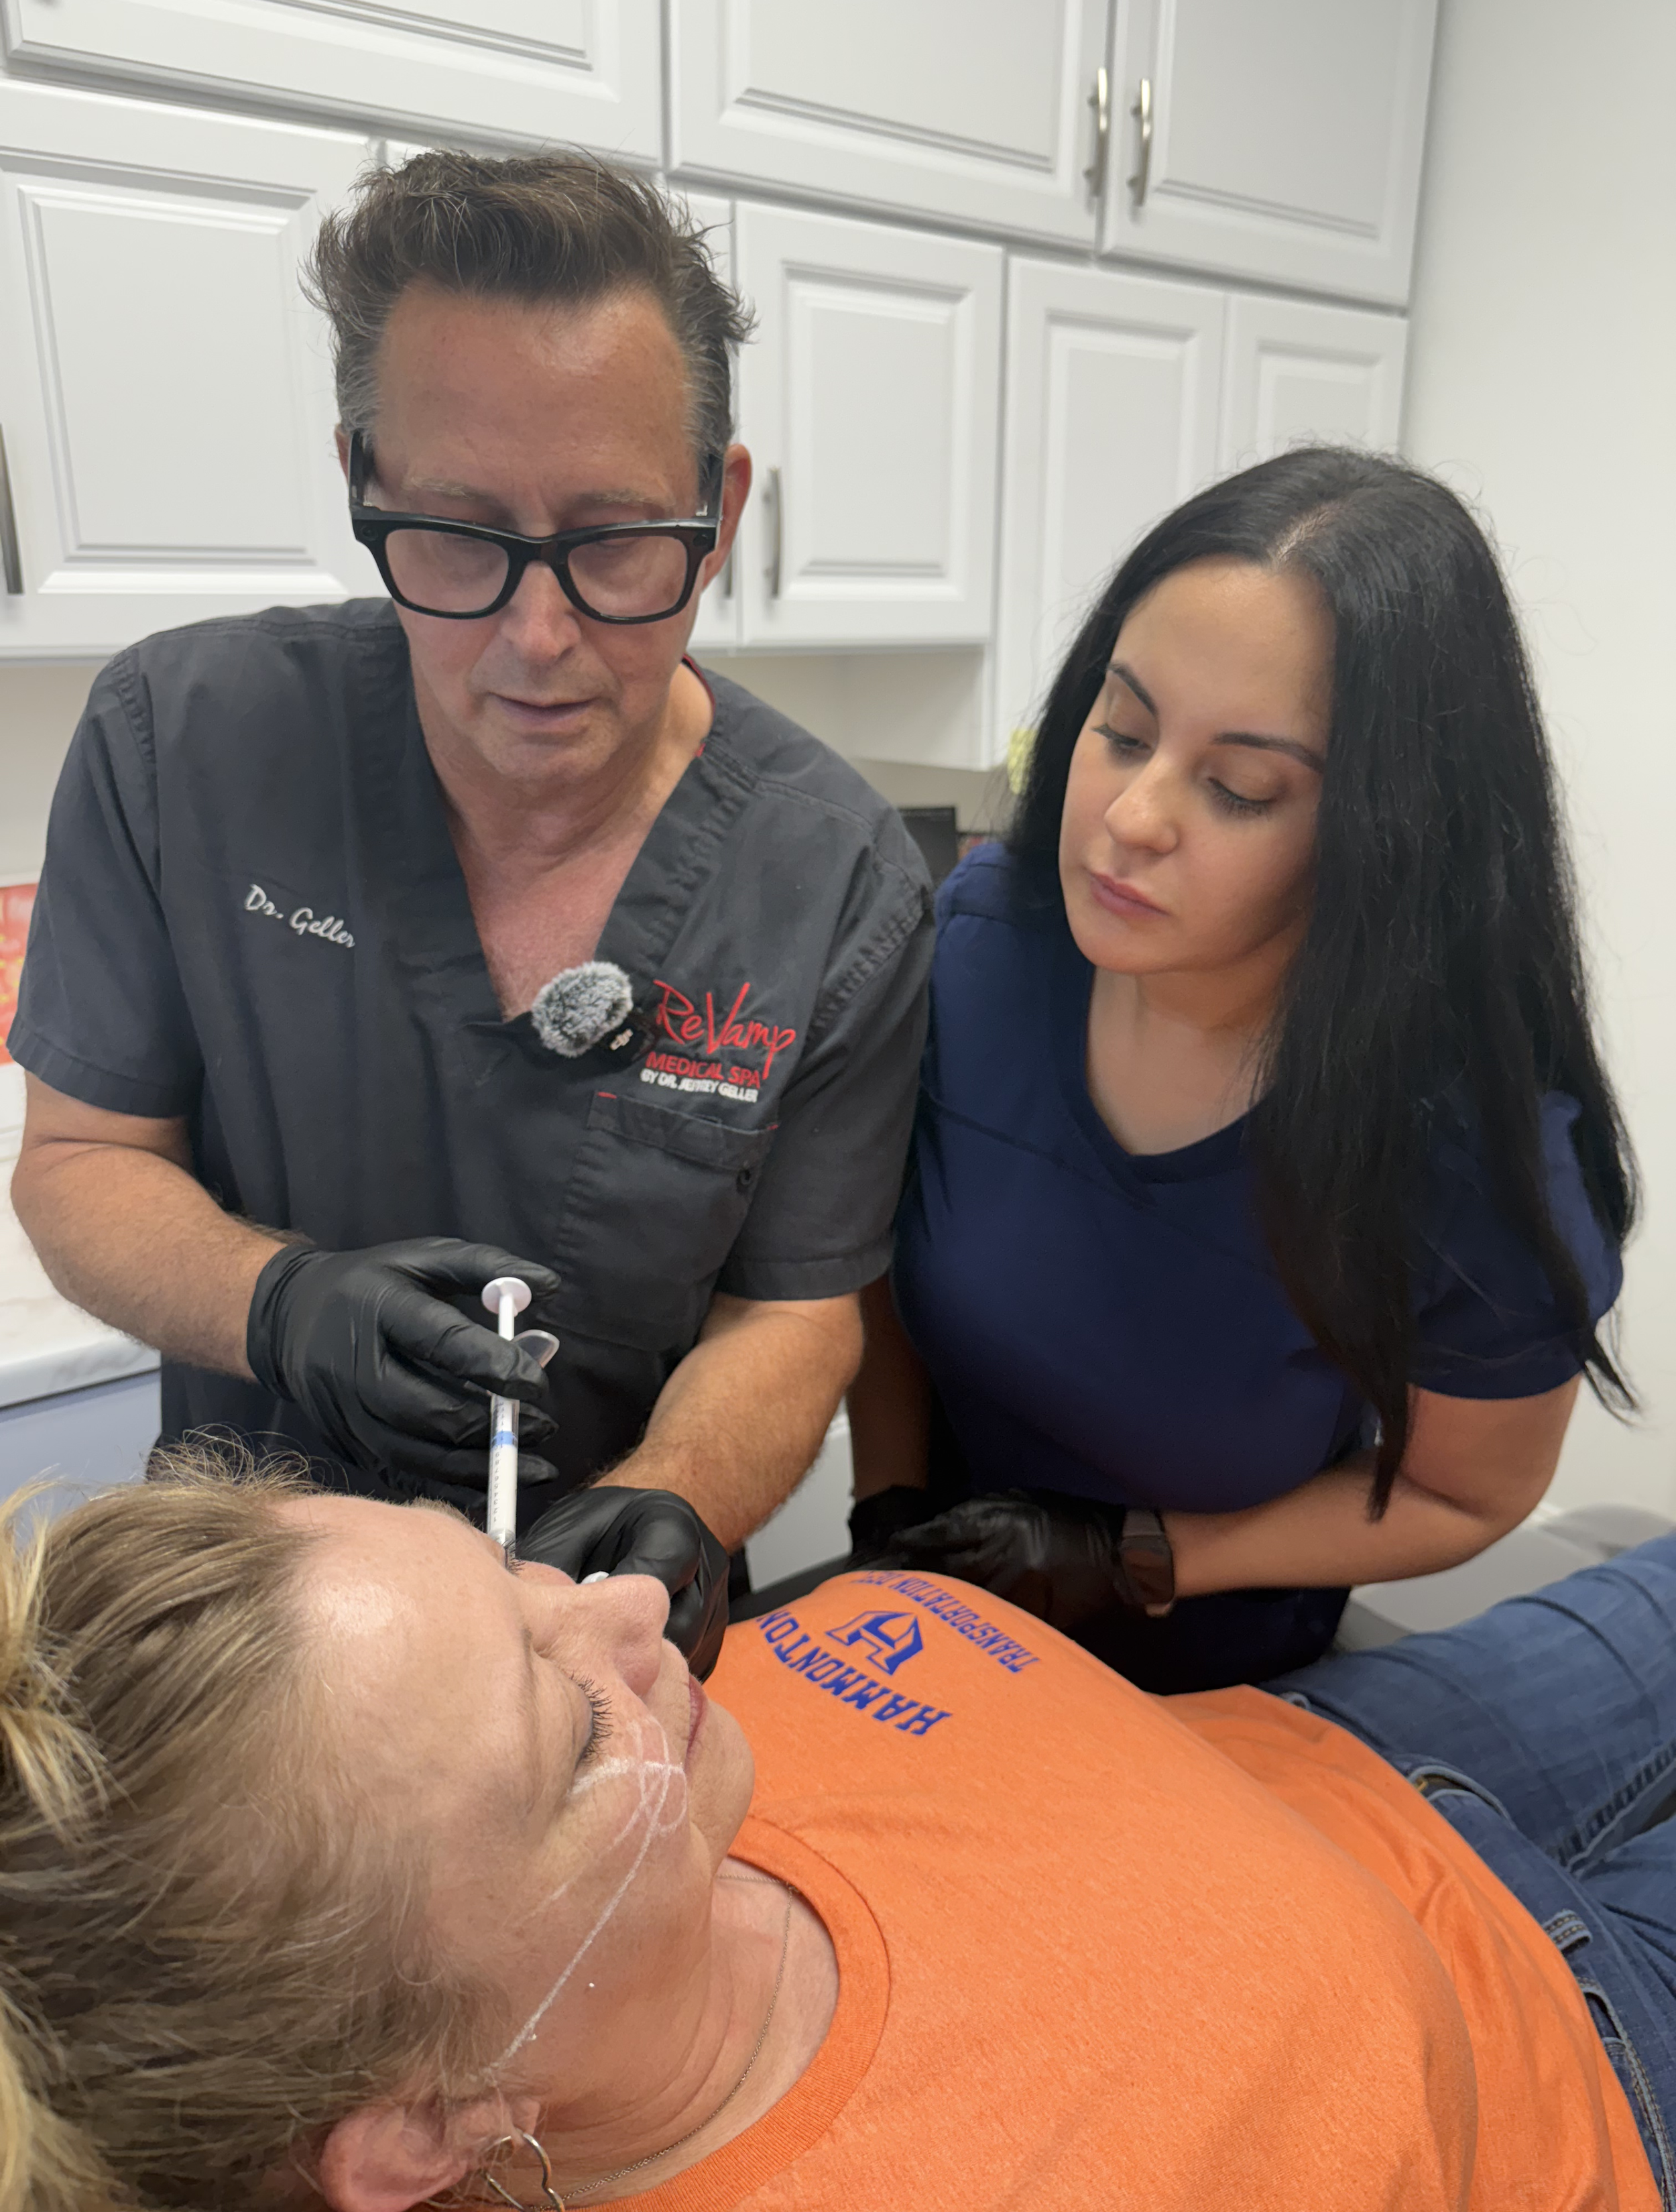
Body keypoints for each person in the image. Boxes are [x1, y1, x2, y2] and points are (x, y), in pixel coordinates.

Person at [5, 150, 933, 1625]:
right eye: (456, 533)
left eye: (617, 540)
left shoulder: (830, 878)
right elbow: (74, 1167)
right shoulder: (179, 745)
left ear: (722, 502)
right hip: (244, 1633)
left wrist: (677, 1501)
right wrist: (278, 1302)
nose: (538, 639)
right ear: (359, 481)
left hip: (606, 1633)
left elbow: (798, 1312)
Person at [3, 1453, 1674, 2210]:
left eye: (510, 1567)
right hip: (1565, 2036)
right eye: (568, 1721)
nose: (633, 1603)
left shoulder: (540, 1855)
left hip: (1341, 1749)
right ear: (428, 2125)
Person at [847, 447, 1634, 1691]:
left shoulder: (1461, 1154)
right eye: (1121, 728)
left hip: (1220, 1689)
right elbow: (874, 1253)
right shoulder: (986, 948)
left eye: (1238, 787)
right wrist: (884, 1500)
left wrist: (1147, 1555)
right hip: (927, 1636)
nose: (1133, 815)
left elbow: (1464, 1493)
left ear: (1383, 839)